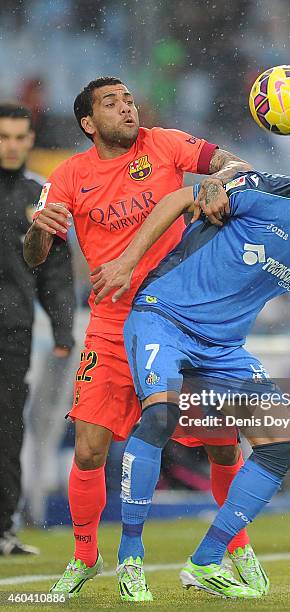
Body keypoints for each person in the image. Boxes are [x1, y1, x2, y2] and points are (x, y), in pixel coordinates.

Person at [92, 119, 290, 599]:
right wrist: (127, 260)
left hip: (222, 350)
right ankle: (130, 558)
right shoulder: (263, 189)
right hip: (164, 316)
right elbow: (182, 199)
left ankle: (205, 562)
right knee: (160, 415)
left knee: (285, 443)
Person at [23, 76, 267, 600]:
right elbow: (34, 256)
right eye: (111, 103)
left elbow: (234, 162)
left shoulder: (165, 143)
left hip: (183, 321)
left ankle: (237, 547)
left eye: (129, 98)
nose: (127, 107)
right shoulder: (67, 176)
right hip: (112, 326)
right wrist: (41, 228)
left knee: (223, 445)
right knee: (89, 449)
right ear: (89, 123)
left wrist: (218, 177)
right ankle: (85, 556)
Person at [0, 103, 74, 555]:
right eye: (3, 136)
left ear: (30, 140)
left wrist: (63, 331)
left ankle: (2, 529)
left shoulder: (41, 198)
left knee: (8, 427)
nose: (11, 145)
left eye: (18, 137)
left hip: (13, 329)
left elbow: (56, 272)